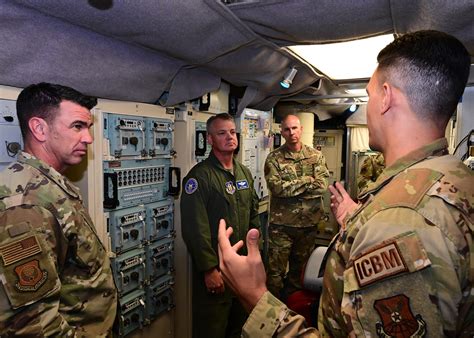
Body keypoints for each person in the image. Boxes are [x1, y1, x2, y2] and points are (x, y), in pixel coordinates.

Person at [217, 30, 474, 337]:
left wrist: (255, 298)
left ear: (387, 96)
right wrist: (360, 221)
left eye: (369, 93)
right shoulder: (456, 178)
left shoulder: (397, 223)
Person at [0, 83, 117, 336]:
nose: (88, 138)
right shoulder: (26, 205)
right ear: (39, 128)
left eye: (88, 128)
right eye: (78, 126)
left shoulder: (48, 187)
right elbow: (32, 325)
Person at [180, 113, 260, 338]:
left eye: (232, 132)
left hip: (243, 268)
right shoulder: (199, 178)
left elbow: (253, 213)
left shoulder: (243, 172)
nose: (229, 137)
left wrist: (254, 255)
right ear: (209, 140)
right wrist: (209, 269)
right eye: (221, 133)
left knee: (240, 326)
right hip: (218, 270)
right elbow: (195, 228)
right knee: (212, 328)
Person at [264, 114, 329, 300]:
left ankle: (293, 313)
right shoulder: (274, 158)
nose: (291, 132)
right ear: (282, 132)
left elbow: (322, 187)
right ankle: (273, 317)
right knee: (275, 276)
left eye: (294, 128)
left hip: (308, 226)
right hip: (282, 228)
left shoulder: (316, 156)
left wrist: (292, 186)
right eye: (287, 129)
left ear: (301, 129)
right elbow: (277, 188)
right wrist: (308, 180)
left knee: (299, 275)